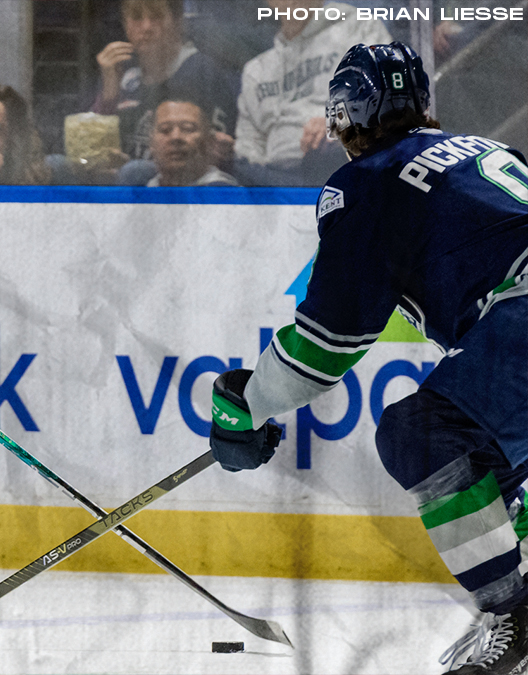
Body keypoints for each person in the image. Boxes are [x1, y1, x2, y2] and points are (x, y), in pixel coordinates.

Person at [208, 42, 528, 674]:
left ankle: (514, 619)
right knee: (486, 465)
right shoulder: (485, 149)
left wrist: (250, 402)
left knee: (422, 434)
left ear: (345, 116)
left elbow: (327, 343)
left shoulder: (371, 181)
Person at [61, 0, 236, 183]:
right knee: (58, 165)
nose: (146, 27)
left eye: (157, 17)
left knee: (135, 172)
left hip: (176, 182)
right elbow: (87, 152)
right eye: (137, 17)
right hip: (122, 180)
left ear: (178, 22)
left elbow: (214, 156)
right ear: (125, 24)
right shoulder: (120, 71)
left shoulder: (203, 73)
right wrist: (108, 96)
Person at [234, 1, 391, 186]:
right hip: (275, 180)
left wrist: (338, 122)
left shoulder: (357, 27)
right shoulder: (256, 71)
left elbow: (388, 96)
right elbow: (248, 144)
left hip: (342, 163)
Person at [119, 99, 239, 186]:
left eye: (188, 129)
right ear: (151, 143)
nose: (175, 137)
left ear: (209, 141)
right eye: (165, 130)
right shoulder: (139, 191)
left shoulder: (225, 195)